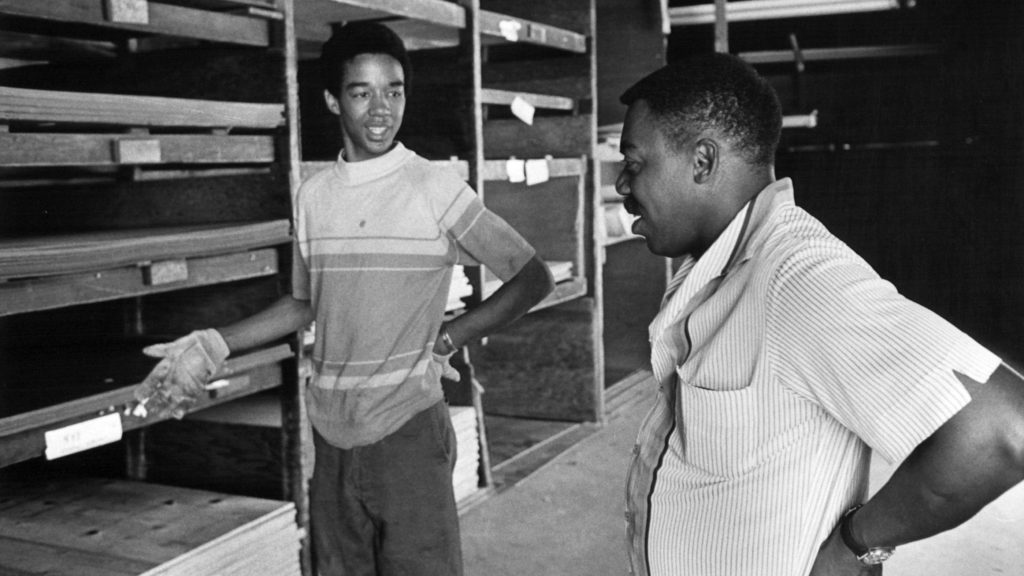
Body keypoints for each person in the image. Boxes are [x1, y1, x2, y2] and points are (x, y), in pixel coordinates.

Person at [135, 21, 554, 576]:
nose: (381, 109)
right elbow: (304, 303)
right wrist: (212, 345)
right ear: (333, 99)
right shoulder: (314, 196)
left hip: (408, 431)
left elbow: (532, 276)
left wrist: (449, 336)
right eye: (362, 92)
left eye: (394, 90)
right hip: (331, 434)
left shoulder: (435, 188)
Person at [615, 52, 1024, 576]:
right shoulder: (721, 270)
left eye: (634, 163)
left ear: (702, 162)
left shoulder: (797, 280)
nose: (624, 187)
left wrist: (857, 545)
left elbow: (998, 431)